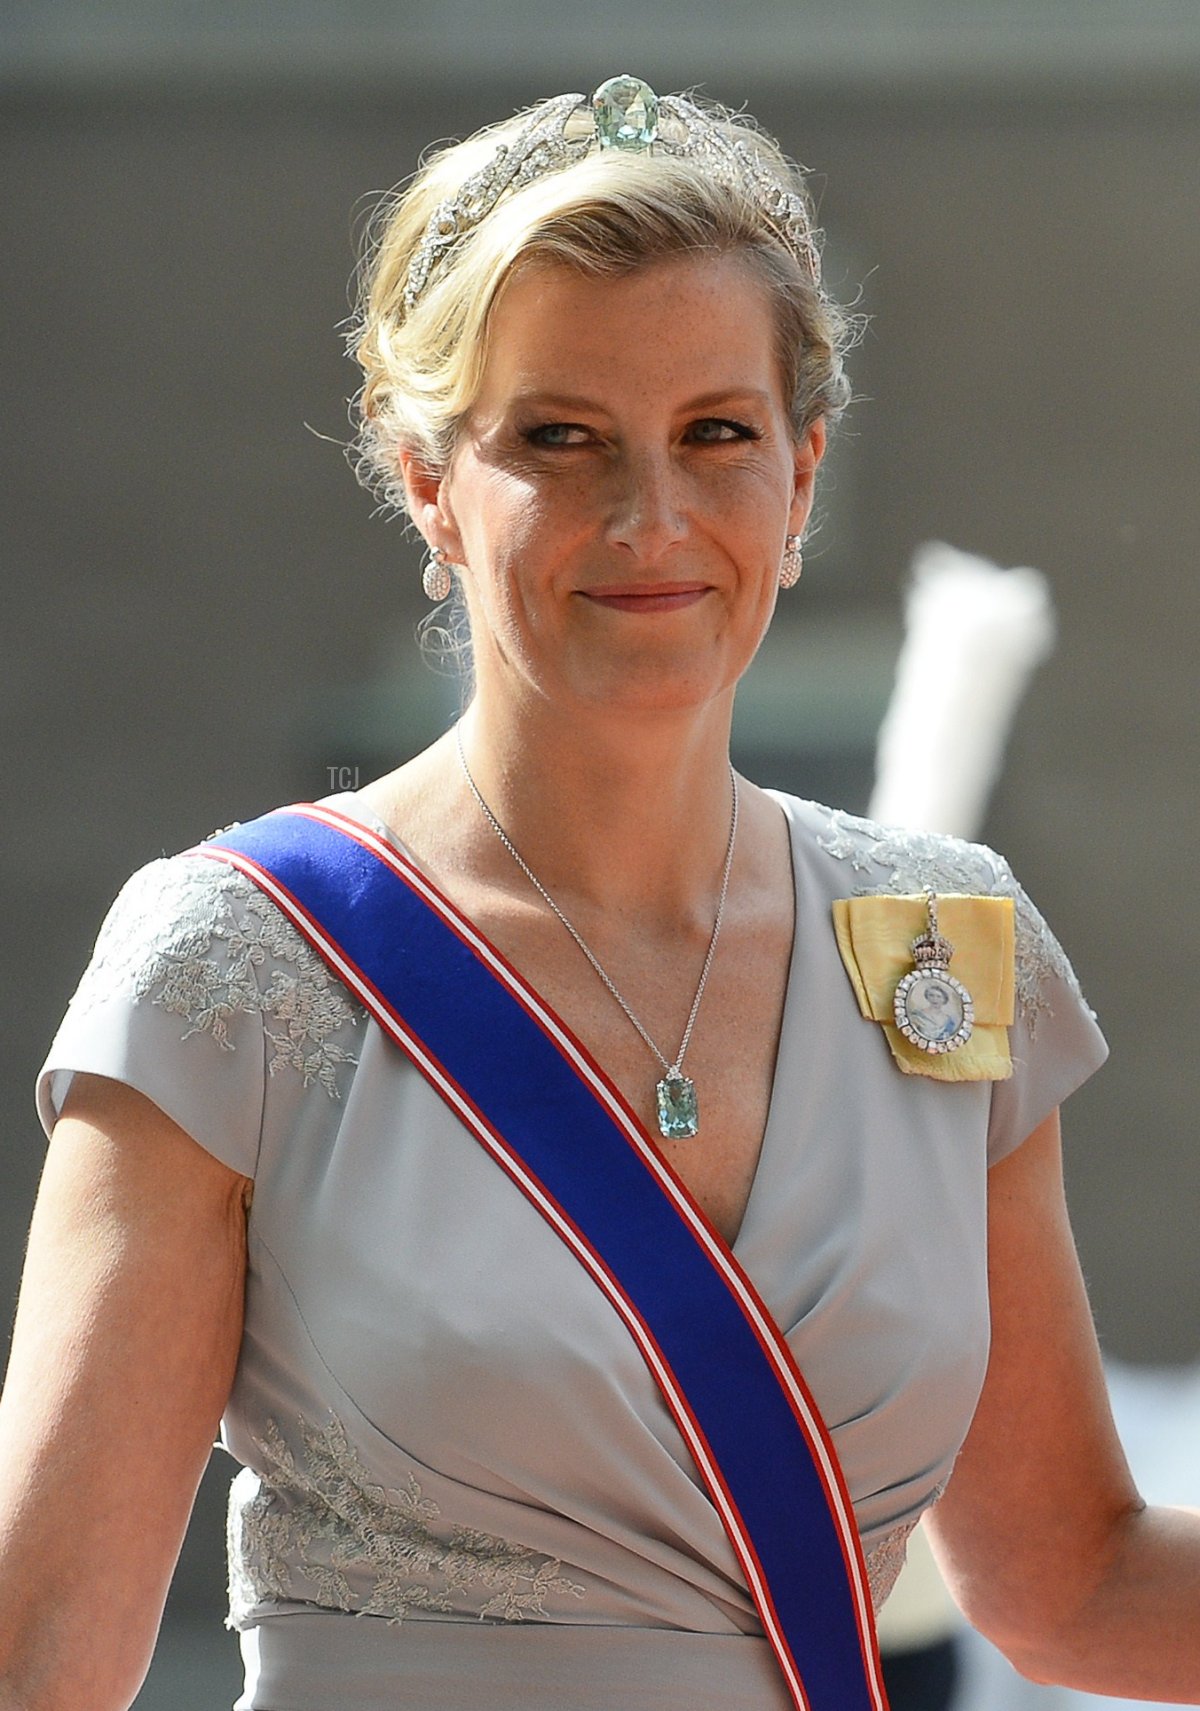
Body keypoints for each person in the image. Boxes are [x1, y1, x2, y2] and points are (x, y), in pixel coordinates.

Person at [1, 75, 1197, 1711]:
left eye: (718, 433)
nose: (652, 518)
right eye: (557, 441)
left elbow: (1073, 1583)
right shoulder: (236, 964)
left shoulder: (941, 945)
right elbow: (38, 1654)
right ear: (429, 483)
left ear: (801, 475)